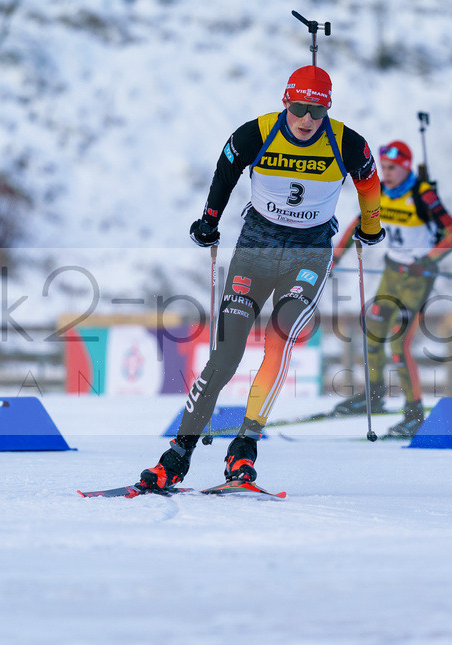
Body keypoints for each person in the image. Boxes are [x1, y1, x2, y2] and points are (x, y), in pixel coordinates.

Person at [138, 65, 384, 491]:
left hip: (307, 253)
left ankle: (244, 449)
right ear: (285, 101)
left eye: (317, 111)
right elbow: (225, 172)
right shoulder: (257, 133)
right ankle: (177, 455)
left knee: (281, 334)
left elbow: (368, 181)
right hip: (255, 250)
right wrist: (209, 221)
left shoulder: (347, 142)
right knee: (226, 354)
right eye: (299, 108)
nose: (307, 119)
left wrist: (370, 224)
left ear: (328, 109)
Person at [330, 140, 452, 437]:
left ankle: (414, 413)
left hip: (417, 277)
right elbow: (357, 224)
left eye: (393, 168)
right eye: (383, 167)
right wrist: (337, 255)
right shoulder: (378, 191)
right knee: (373, 333)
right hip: (392, 271)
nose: (386, 173)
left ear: (406, 168)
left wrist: (427, 259)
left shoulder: (423, 195)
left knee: (398, 345)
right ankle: (375, 396)